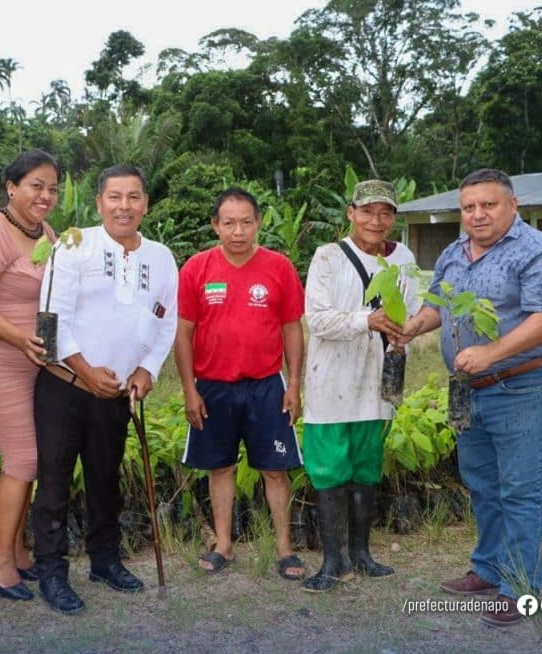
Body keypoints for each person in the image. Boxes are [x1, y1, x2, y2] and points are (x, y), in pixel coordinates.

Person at [401, 168, 542, 626]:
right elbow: (439, 303)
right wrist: (415, 326)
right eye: (469, 207)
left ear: (512, 206)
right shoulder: (453, 253)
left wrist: (492, 351)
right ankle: (488, 568)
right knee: (482, 483)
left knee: (520, 488)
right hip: (468, 390)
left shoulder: (537, 251)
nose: (477, 215)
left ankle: (520, 587)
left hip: (521, 385)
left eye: (488, 205)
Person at [31, 164, 178, 614]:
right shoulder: (74, 244)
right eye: (115, 197)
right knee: (55, 483)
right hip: (65, 386)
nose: (124, 206)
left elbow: (165, 319)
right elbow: (50, 319)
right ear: (98, 203)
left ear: (146, 204)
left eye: (134, 197)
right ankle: (52, 573)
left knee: (105, 481)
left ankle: (105, 561)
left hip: (116, 393)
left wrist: (147, 370)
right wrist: (84, 369)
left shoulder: (161, 257)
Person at [175, 187, 306, 581]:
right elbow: (182, 334)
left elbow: (292, 329)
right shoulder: (196, 268)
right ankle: (223, 545)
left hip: (267, 385)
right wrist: (189, 389)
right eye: (228, 222)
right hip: (213, 387)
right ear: (215, 225)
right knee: (221, 468)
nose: (237, 231)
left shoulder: (279, 267)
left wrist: (294, 383)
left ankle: (285, 549)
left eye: (246, 222)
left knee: (275, 470)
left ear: (259, 222)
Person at [300, 180, 419, 592]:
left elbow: (413, 312)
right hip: (330, 382)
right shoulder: (327, 257)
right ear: (351, 213)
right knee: (330, 471)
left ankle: (363, 555)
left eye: (385, 213)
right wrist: (365, 320)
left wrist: (404, 333)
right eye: (367, 211)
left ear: (394, 219)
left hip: (375, 383)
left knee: (367, 470)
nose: (376, 220)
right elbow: (316, 319)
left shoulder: (404, 259)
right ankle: (334, 560)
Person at [0, 150, 60, 601]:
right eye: (36, 185)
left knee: (33, 459)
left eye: (53, 188)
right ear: (12, 187)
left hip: (36, 362)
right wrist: (21, 339)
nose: (45, 195)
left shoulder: (47, 234)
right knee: (23, 459)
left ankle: (18, 551)